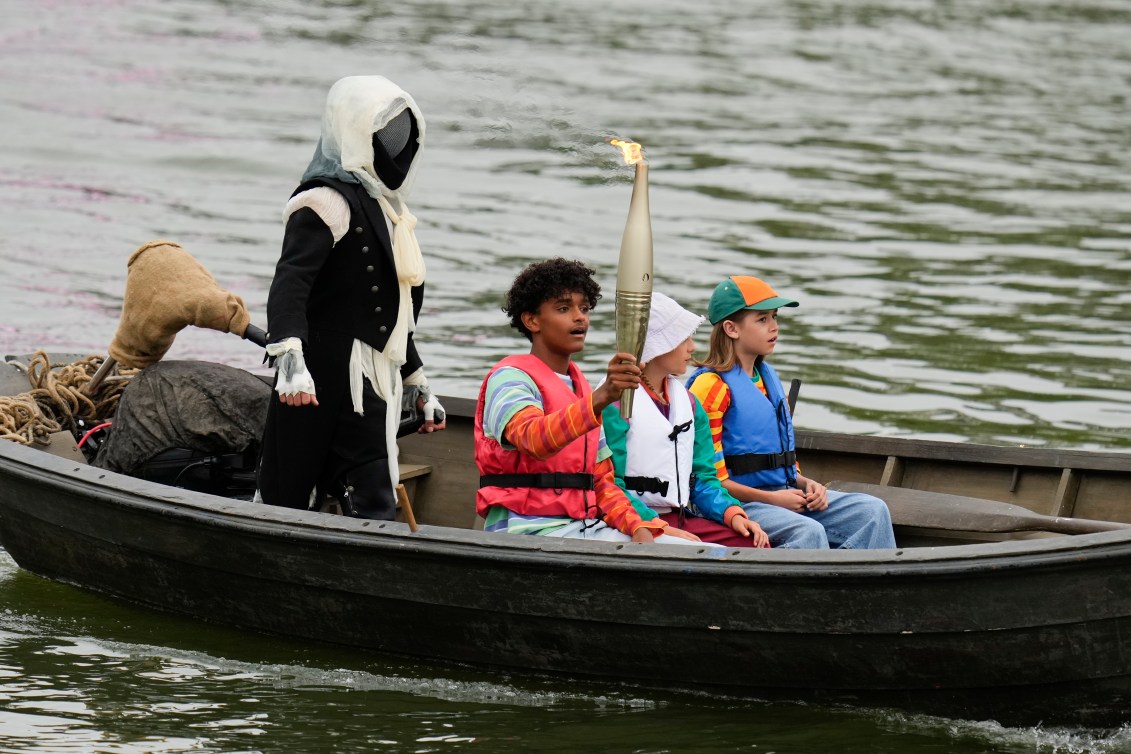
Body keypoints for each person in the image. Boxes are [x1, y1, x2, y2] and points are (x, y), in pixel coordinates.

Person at [257, 75, 446, 520]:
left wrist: (417, 383)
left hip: (372, 379)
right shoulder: (324, 200)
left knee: (373, 492)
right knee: (290, 492)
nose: (398, 145)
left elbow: (390, 314)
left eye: (402, 133)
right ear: (353, 129)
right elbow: (290, 284)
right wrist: (290, 362)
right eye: (387, 132)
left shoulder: (388, 208)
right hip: (320, 375)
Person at [474, 258, 707, 545]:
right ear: (532, 320)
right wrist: (599, 399)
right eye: (563, 308)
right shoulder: (509, 378)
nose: (580, 317)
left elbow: (601, 482)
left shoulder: (579, 388)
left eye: (584, 308)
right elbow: (532, 438)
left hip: (583, 528)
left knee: (702, 550)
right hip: (525, 532)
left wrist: (640, 526)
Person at [686, 276, 896, 549]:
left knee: (873, 511)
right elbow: (709, 479)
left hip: (783, 494)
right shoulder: (711, 387)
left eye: (774, 317)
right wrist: (774, 500)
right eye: (762, 319)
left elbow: (783, 464)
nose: (774, 327)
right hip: (738, 504)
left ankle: (865, 588)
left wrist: (809, 484)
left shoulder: (766, 378)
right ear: (731, 328)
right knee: (808, 532)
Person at [602, 292, 770, 548]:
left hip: (681, 518)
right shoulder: (615, 402)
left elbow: (703, 478)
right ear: (658, 345)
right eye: (684, 339)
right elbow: (610, 484)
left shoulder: (689, 404)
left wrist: (732, 513)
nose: (692, 347)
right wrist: (658, 527)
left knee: (752, 544)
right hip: (637, 521)